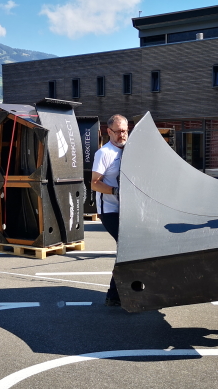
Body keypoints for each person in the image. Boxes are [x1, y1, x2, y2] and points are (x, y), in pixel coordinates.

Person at [91, 114, 129, 306]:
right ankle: (114, 295)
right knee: (126, 246)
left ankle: (119, 293)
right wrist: (116, 191)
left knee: (130, 248)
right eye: (118, 131)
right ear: (109, 132)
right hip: (109, 210)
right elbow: (94, 183)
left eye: (125, 131)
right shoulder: (104, 153)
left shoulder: (131, 150)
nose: (122, 135)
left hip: (128, 208)